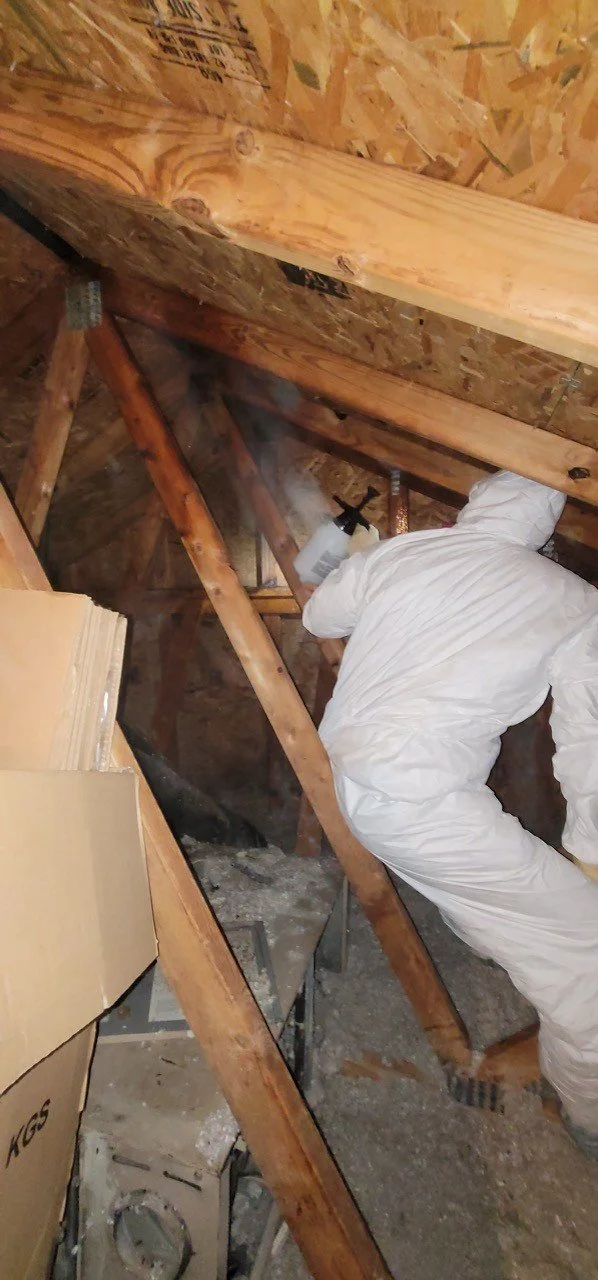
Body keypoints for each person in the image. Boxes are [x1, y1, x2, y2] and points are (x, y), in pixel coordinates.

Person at [302, 470, 598, 1155]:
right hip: (428, 802)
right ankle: (589, 1117)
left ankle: (535, 1009)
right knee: (588, 954)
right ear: (546, 525)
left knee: (505, 911)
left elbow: (320, 617)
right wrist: (590, 849)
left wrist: (372, 571)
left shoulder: (401, 555)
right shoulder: (576, 601)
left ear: (476, 503)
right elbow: (587, 737)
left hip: (358, 789)